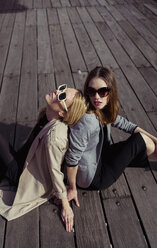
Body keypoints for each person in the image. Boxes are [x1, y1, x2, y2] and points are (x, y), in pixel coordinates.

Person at [0, 84, 87, 232]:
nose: (58, 91)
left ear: (63, 113)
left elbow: (55, 172)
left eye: (62, 96)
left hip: (22, 174)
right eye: (62, 88)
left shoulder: (54, 138)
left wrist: (65, 205)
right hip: (23, 159)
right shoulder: (46, 116)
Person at [65, 67, 157, 206]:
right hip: (95, 177)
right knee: (141, 141)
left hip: (102, 156)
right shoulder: (87, 121)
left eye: (102, 91)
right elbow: (72, 159)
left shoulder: (102, 109)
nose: (96, 97)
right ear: (87, 91)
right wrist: (72, 188)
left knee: (147, 142)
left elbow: (126, 125)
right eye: (91, 91)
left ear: (110, 92)